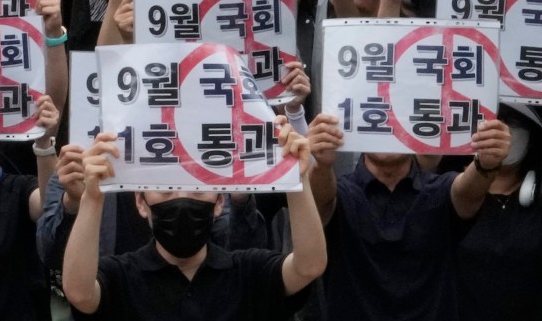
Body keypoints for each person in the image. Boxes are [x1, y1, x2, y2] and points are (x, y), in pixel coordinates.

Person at [59, 124, 325, 319]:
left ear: (219, 202)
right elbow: (79, 293)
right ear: (141, 202)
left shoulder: (248, 273)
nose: (182, 199)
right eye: (165, 190)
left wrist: (297, 180)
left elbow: (308, 266)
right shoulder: (120, 277)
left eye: (198, 189)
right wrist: (92, 198)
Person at [308, 109, 508, 321]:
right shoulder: (341, 194)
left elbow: (467, 192)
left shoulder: (440, 190)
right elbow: (320, 201)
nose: (388, 128)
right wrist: (321, 164)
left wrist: (486, 163)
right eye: (377, 117)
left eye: (396, 117)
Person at [457, 104, 542, 318]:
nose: (502, 132)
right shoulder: (451, 194)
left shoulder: (538, 197)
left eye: (514, 123)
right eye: (493, 121)